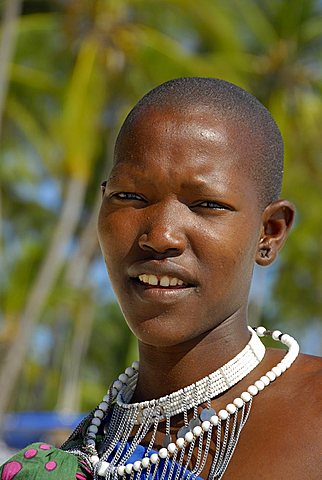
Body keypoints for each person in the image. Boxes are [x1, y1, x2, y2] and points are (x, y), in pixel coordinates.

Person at [1, 77, 321, 479]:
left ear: (269, 232)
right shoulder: (81, 455)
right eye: (131, 197)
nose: (161, 236)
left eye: (206, 204)